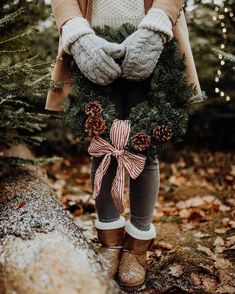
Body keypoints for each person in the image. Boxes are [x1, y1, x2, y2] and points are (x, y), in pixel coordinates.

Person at [46, 0, 201, 290]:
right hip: (92, 42)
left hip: (155, 44)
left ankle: (137, 245)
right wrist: (78, 35)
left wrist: (156, 25)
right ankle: (110, 240)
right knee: (103, 145)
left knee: (144, 147)